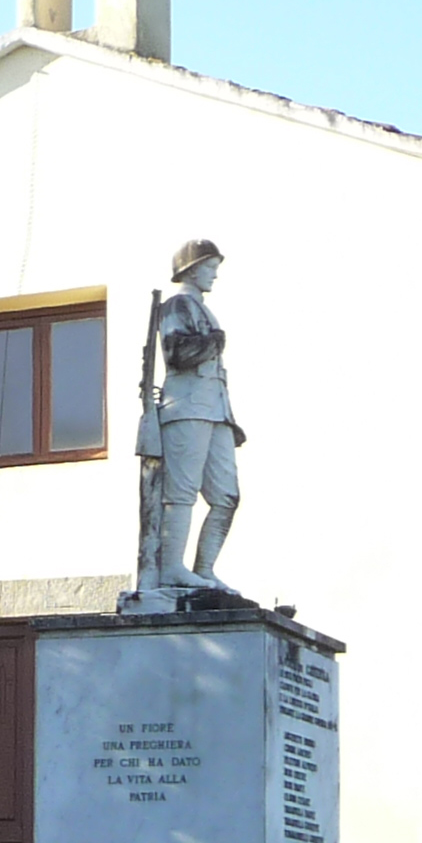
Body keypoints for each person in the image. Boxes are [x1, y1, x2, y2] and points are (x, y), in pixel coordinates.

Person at [147, 239, 243, 594]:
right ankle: (172, 568)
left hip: (214, 412)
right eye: (210, 266)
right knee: (181, 492)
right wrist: (216, 342)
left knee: (226, 496)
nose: (215, 274)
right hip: (186, 408)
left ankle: (205, 570)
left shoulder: (201, 309)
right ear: (191, 269)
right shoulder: (178, 305)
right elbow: (176, 353)